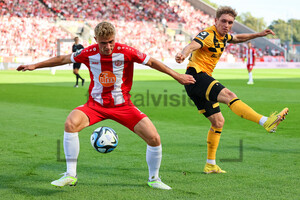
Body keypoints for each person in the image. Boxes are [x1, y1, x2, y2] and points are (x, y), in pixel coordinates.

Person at [17, 21, 195, 189]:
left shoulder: (126, 51)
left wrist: (177, 76)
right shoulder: (88, 52)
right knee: (70, 123)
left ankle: (154, 179)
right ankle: (70, 175)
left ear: (115, 39)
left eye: (111, 42)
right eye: (103, 43)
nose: (108, 46)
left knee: (154, 138)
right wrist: (35, 65)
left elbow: (152, 62)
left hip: (123, 106)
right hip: (95, 106)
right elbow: (64, 59)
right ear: (96, 40)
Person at [175, 6, 288, 174]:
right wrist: (183, 54)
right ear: (215, 21)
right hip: (196, 76)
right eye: (223, 21)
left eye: (230, 22)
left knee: (218, 122)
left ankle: (210, 164)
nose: (227, 25)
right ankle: (265, 121)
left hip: (197, 83)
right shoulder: (208, 34)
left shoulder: (224, 36)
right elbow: (192, 45)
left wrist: (258, 34)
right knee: (229, 95)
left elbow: (238, 38)